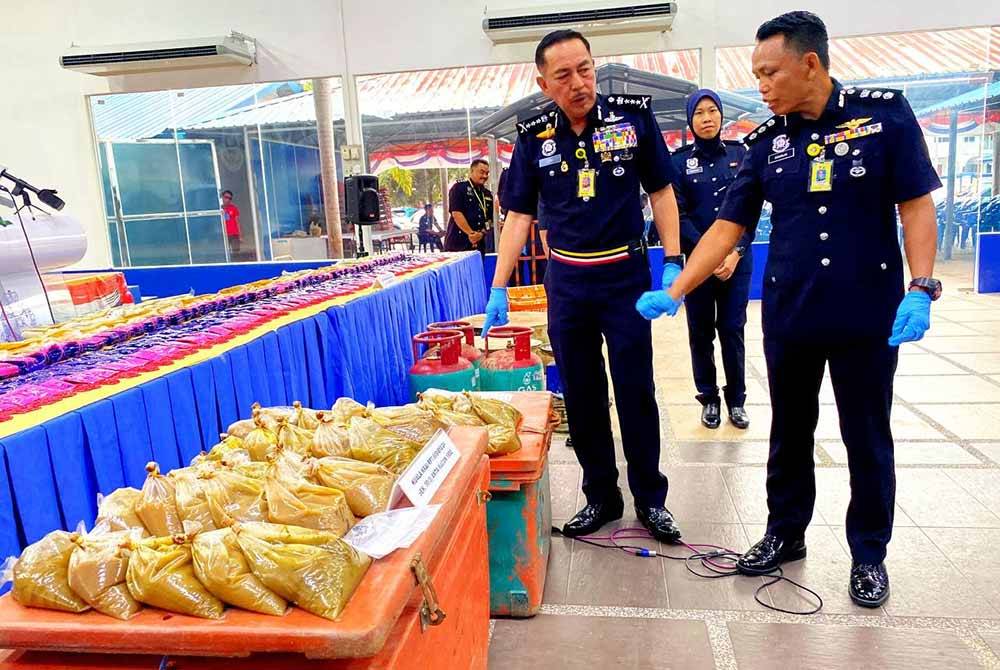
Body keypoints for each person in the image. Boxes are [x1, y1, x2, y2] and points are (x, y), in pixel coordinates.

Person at [636, 11, 942, 608]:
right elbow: (729, 226)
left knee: (867, 436)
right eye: (756, 75)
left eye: (770, 72)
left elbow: (915, 204)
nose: (762, 86)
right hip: (792, 311)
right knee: (789, 433)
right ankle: (785, 533)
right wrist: (675, 288)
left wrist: (922, 285)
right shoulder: (767, 141)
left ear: (810, 63)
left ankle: (869, 554)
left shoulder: (884, 117)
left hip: (867, 313)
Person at [483, 29, 685, 543]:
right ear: (544, 83)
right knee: (583, 394)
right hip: (568, 281)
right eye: (564, 75)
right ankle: (601, 496)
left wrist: (674, 260)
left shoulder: (633, 119)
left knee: (636, 390)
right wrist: (499, 286)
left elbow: (661, 192)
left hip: (625, 278)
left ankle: (650, 499)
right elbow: (517, 217)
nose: (579, 83)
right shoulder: (532, 141)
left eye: (586, 69)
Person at [671, 89, 754, 430]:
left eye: (712, 111)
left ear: (721, 117)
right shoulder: (678, 162)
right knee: (700, 332)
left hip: (737, 259)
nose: (707, 118)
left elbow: (750, 208)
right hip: (698, 264)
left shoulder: (742, 154)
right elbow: (678, 212)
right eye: (699, 113)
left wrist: (734, 253)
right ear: (690, 121)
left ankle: (736, 400)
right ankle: (708, 399)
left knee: (732, 330)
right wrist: (709, 254)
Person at [444, 159, 493, 254]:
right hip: (458, 243)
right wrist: (471, 234)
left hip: (479, 245)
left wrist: (481, 234)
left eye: (487, 173)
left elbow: (490, 220)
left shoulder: (487, 194)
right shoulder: (459, 188)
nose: (485, 176)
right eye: (481, 172)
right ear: (471, 171)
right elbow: (456, 213)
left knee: (478, 268)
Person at [221, 190, 241, 256]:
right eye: (226, 197)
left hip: (234, 234)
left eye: (230, 198)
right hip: (224, 234)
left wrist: (240, 235)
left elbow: (237, 221)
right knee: (225, 253)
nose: (228, 199)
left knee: (236, 253)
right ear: (222, 197)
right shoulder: (219, 209)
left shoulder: (233, 208)